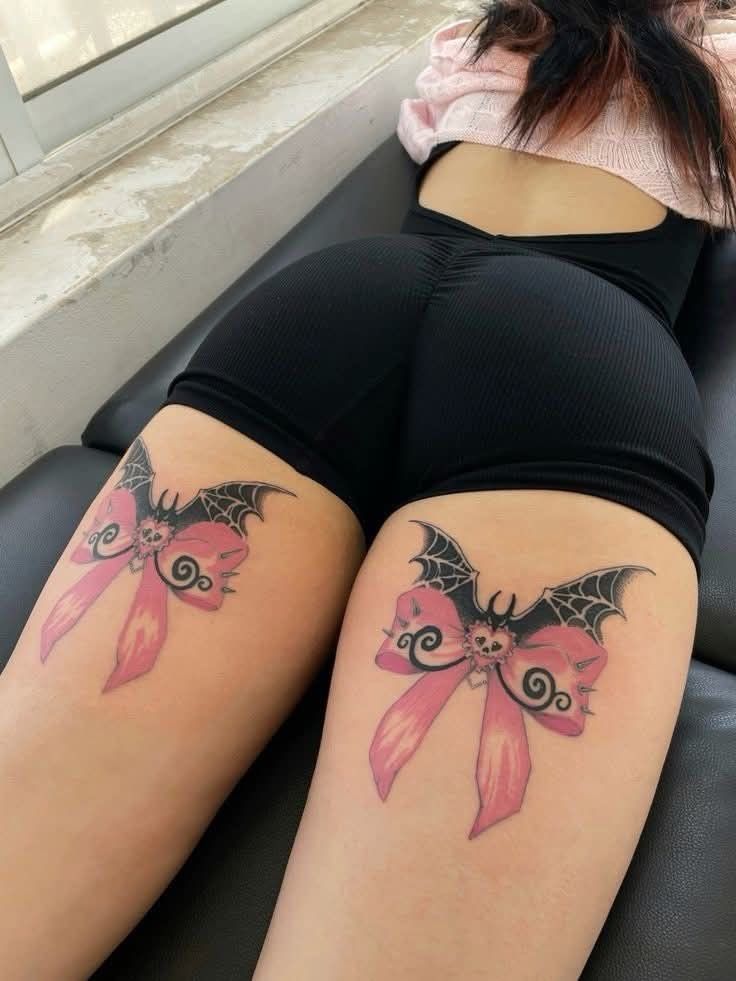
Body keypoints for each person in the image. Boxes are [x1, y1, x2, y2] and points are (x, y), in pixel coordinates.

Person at [2, 2, 735, 978]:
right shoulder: (713, 72)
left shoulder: (478, 44)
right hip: (578, 352)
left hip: (328, 309)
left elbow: (426, 124)